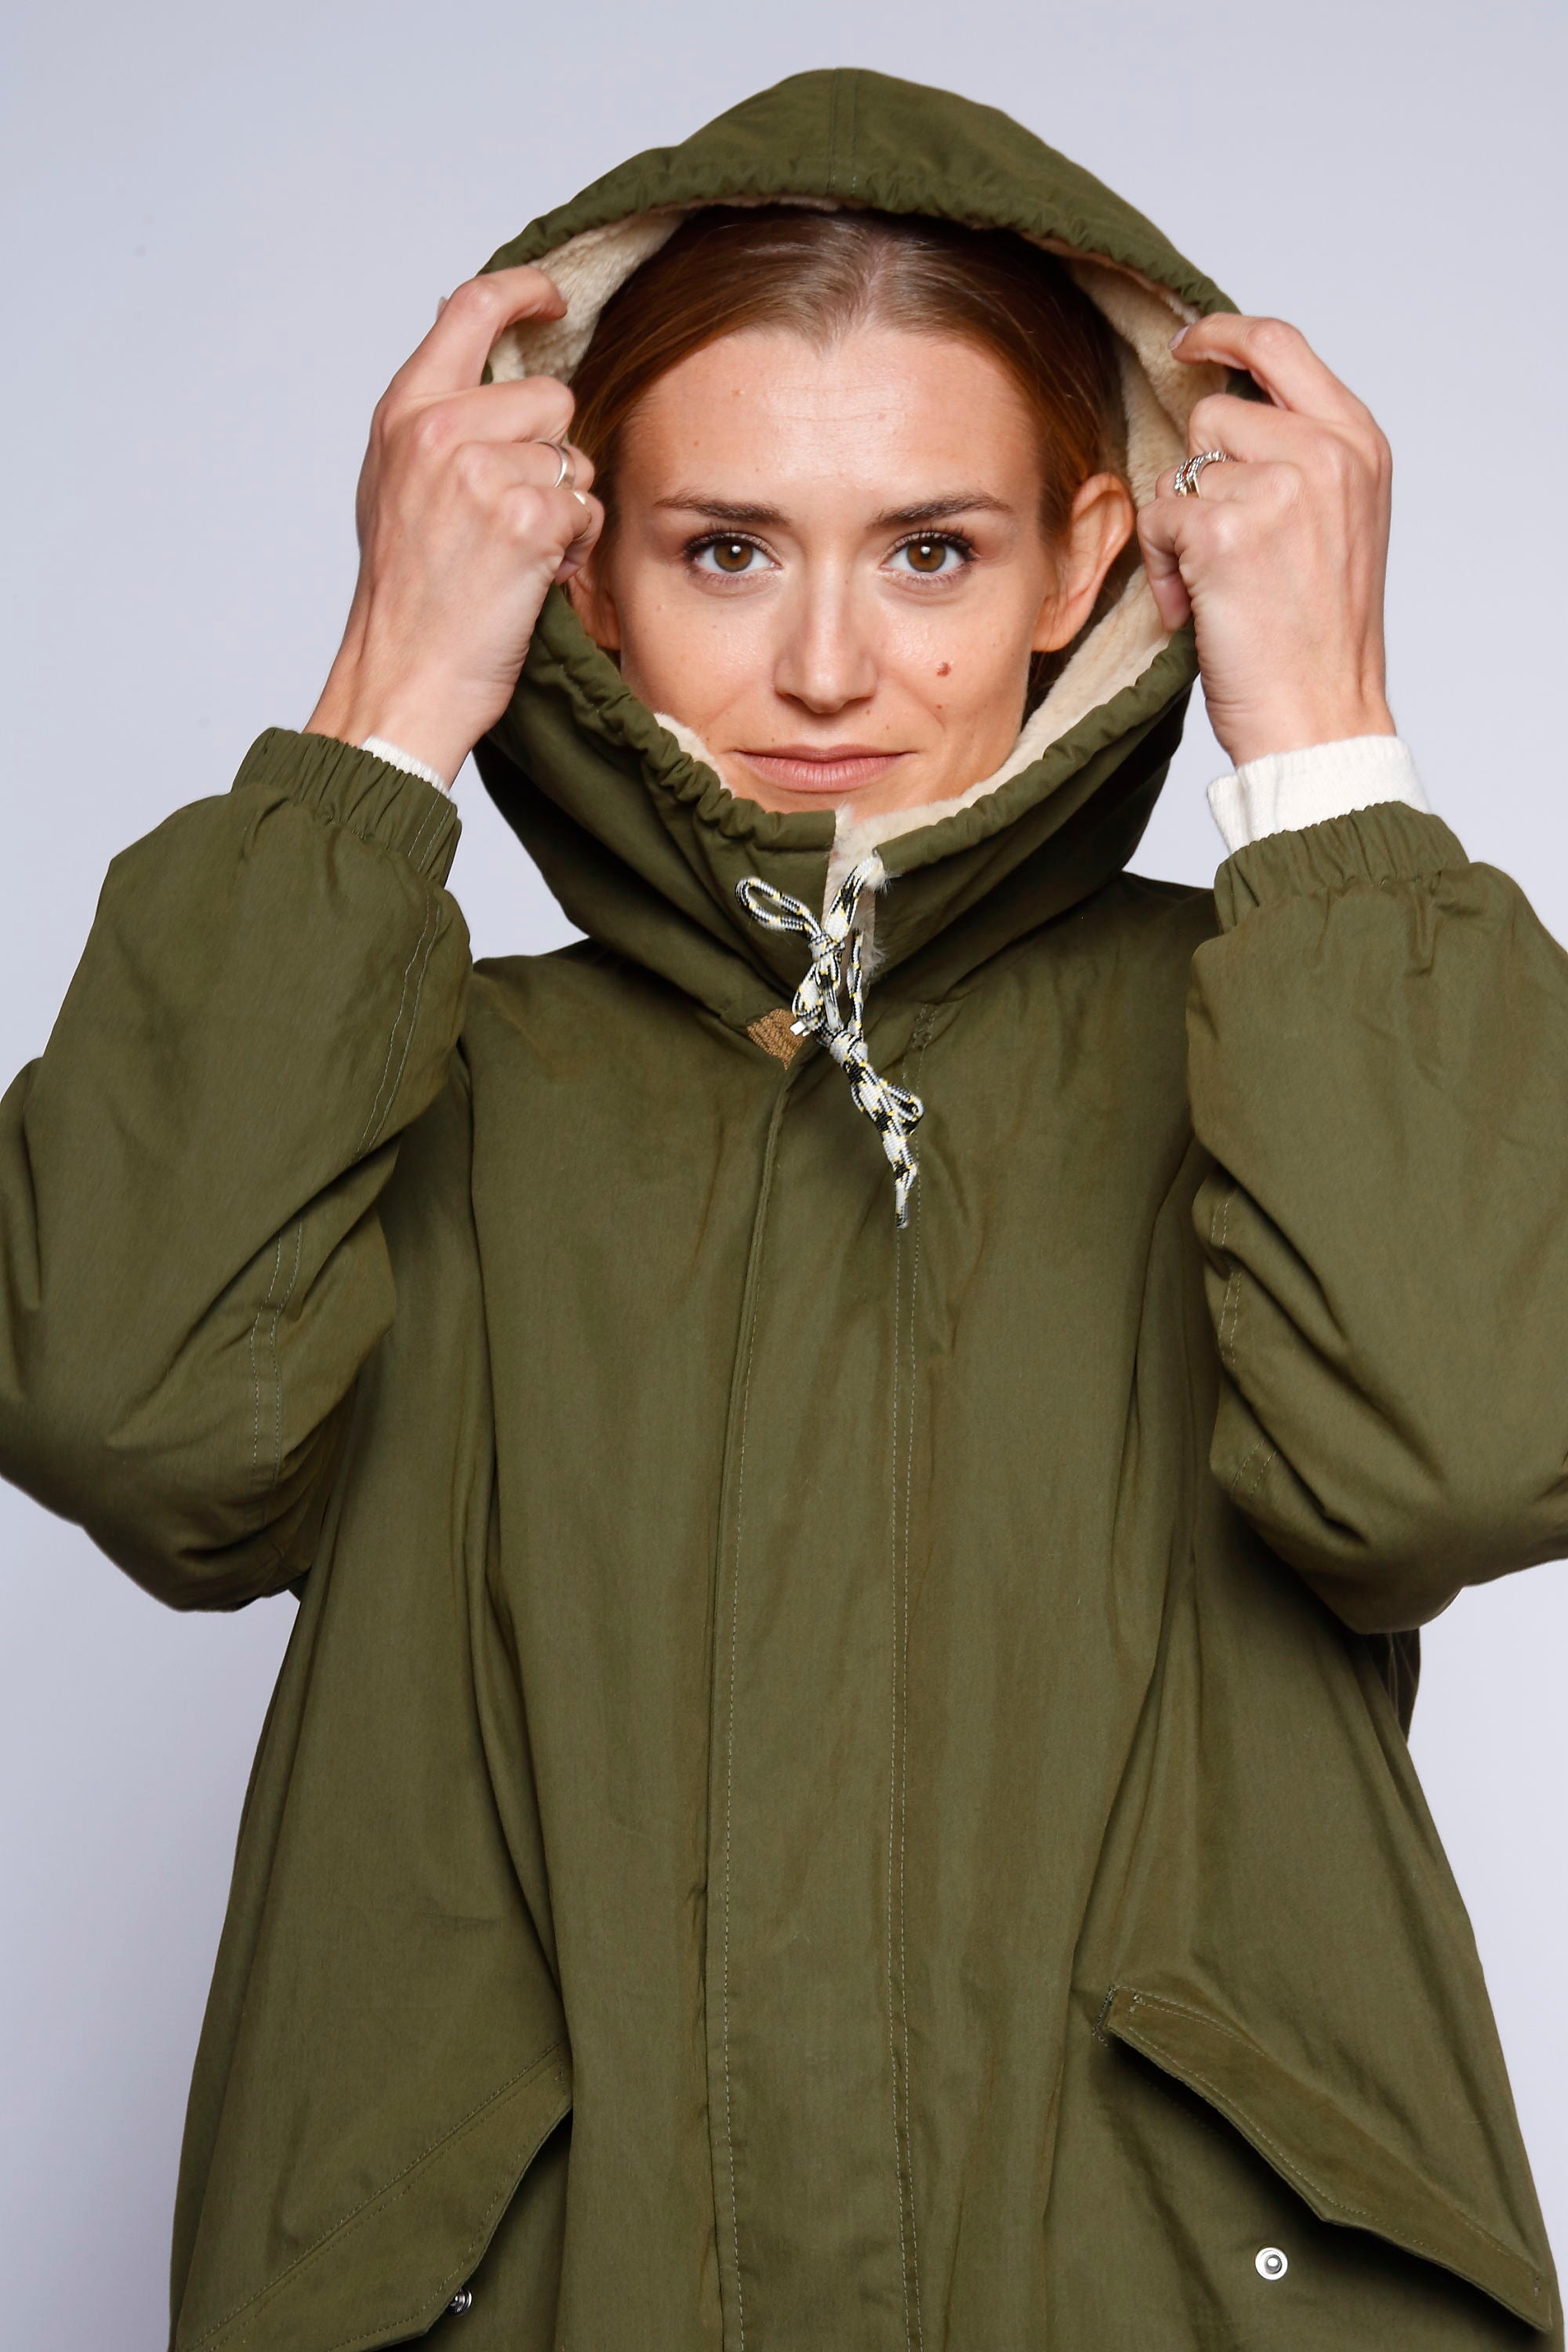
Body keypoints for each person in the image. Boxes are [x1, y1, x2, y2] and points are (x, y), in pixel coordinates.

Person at [2, 63, 1563, 2352]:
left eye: (934, 550)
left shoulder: (1276, 1032)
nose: (828, 666)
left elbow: (1457, 1450)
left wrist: (1324, 739)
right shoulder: (414, 1071)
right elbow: (130, 1417)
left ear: (1088, 561)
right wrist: (382, 700)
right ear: (584, 568)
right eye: (725, 549)